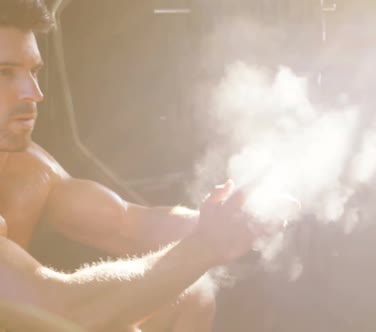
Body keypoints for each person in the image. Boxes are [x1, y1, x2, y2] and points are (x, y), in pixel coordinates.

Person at [0, 1, 271, 331]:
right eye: (5, 73)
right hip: (44, 308)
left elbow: (128, 224)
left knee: (190, 295)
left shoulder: (27, 170)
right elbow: (61, 309)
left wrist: (232, 218)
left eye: (34, 71)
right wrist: (206, 245)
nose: (34, 93)